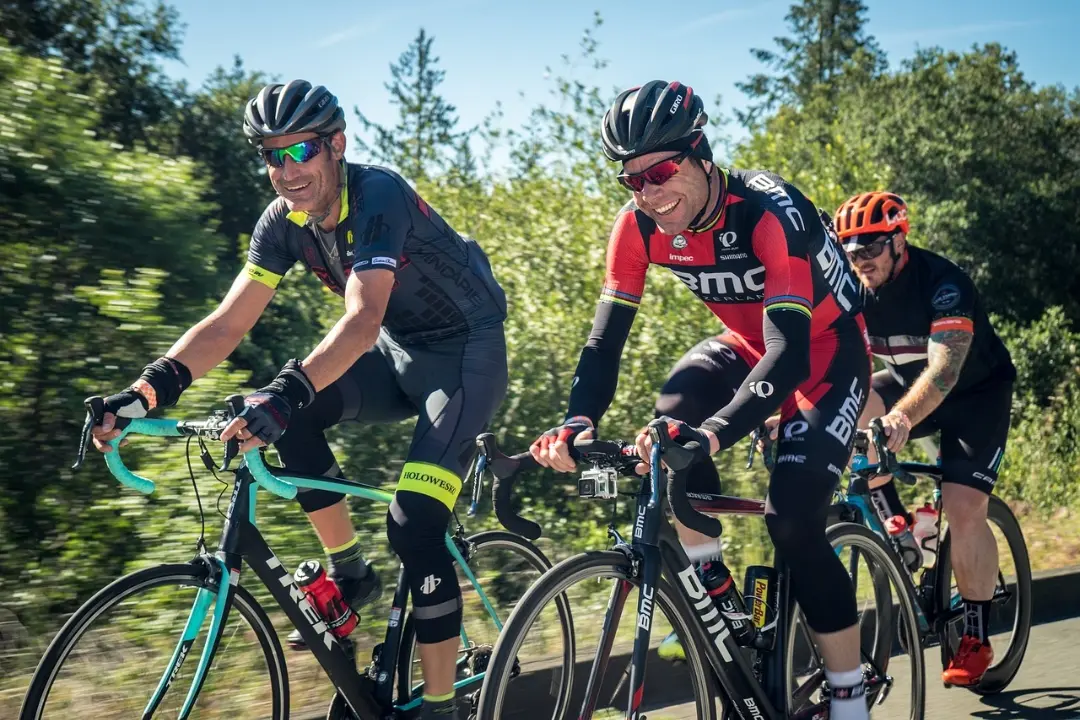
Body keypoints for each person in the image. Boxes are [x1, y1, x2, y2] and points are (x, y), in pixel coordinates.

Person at [90, 80, 508, 719]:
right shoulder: (283, 223)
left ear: (336, 145)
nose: (287, 171)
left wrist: (286, 392)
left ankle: (444, 705)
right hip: (399, 355)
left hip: (465, 360)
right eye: (271, 156)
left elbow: (363, 317)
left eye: (301, 151)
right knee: (282, 409)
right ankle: (350, 575)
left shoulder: (378, 196)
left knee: (413, 520)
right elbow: (228, 324)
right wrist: (147, 391)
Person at [530, 80, 873, 720]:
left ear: (701, 156)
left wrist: (714, 433)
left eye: (660, 172)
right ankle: (715, 587)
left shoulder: (769, 211)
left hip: (825, 350)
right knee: (666, 429)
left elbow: (792, 352)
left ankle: (848, 692)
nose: (648, 194)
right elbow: (604, 344)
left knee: (791, 519)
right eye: (632, 181)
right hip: (746, 343)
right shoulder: (637, 227)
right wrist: (576, 422)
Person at [833, 191, 1016, 686]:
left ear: (898, 239)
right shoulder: (849, 288)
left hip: (975, 393)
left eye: (870, 246)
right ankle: (895, 518)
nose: (859, 260)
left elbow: (944, 368)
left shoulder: (944, 283)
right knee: (847, 403)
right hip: (906, 383)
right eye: (849, 249)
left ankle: (976, 636)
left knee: (962, 507)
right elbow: (824, 361)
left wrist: (901, 419)